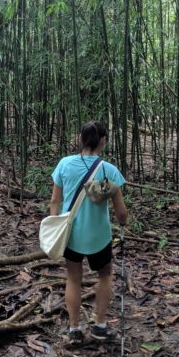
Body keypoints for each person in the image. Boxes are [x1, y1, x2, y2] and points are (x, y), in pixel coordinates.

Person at [49, 120, 128, 344]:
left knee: (73, 278)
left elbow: (55, 201)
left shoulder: (64, 164)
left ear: (80, 139)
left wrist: (56, 225)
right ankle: (100, 326)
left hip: (71, 234)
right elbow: (121, 212)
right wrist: (123, 223)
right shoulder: (109, 170)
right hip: (99, 237)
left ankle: (74, 330)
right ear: (103, 141)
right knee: (105, 274)